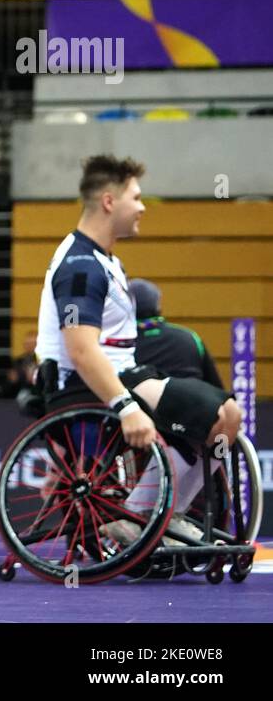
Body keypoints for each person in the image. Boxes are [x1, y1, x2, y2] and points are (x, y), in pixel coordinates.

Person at [32, 155, 242, 545]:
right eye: (137, 197)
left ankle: (159, 512)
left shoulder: (104, 260)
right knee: (217, 415)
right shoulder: (80, 266)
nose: (143, 207)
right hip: (83, 386)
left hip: (122, 375)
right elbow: (81, 350)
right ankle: (144, 514)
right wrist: (126, 409)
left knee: (228, 416)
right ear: (110, 201)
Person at [128, 278, 225, 388]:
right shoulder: (189, 337)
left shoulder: (122, 343)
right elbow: (216, 388)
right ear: (158, 306)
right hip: (191, 402)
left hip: (139, 403)